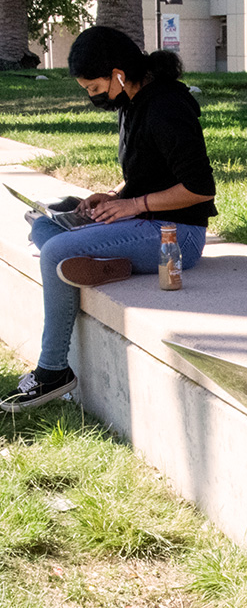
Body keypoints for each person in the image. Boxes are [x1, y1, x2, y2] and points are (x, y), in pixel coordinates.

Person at [0, 26, 216, 413]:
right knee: (45, 224)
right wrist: (116, 196)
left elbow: (200, 189)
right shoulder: (133, 102)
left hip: (177, 236)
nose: (92, 95)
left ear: (118, 73)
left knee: (54, 255)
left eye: (94, 87)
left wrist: (133, 206)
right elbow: (148, 173)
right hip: (146, 221)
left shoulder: (168, 106)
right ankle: (105, 264)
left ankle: (53, 372)